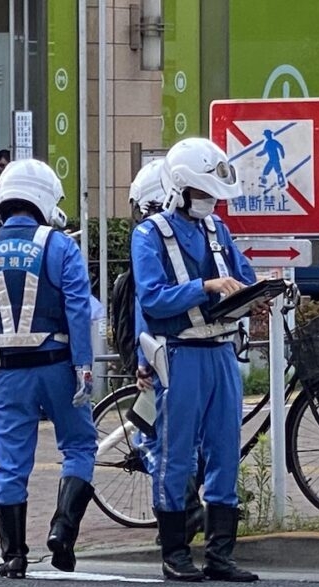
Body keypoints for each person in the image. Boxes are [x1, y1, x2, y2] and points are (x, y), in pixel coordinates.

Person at [0, 159, 98, 579]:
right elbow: (79, 310)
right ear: (43, 198)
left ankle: (13, 555)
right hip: (60, 365)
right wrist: (84, 367)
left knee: (11, 463)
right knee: (80, 447)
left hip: (9, 372)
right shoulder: (62, 246)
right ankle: (63, 530)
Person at [131, 137, 259, 583]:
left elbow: (244, 276)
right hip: (180, 353)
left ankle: (221, 554)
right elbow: (151, 298)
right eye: (205, 194)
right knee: (174, 453)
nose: (211, 202)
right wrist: (204, 287)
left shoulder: (217, 229)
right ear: (181, 189)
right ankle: (176, 552)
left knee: (226, 449)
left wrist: (253, 293)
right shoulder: (150, 233)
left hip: (221, 351)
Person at [125, 159, 205, 547]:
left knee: (160, 444)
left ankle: (180, 517)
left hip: (162, 355)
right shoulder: (187, 236)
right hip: (191, 352)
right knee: (181, 443)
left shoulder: (151, 239)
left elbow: (147, 308)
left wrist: (142, 361)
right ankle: (188, 512)